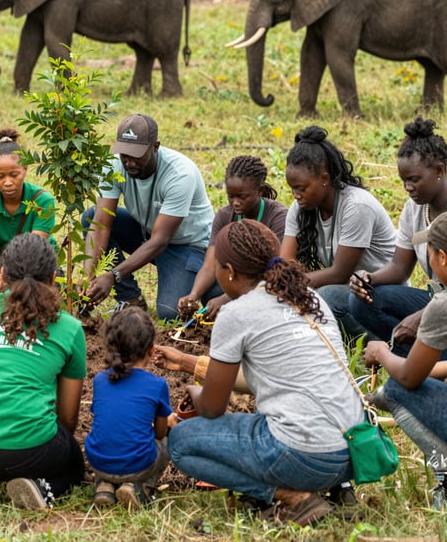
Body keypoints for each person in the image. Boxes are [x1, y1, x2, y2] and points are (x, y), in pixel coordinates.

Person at [166, 219, 362, 526]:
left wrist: (194, 392)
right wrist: (189, 362)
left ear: (229, 271)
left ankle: (292, 496)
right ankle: (335, 489)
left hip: (305, 456)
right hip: (351, 453)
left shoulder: (236, 313)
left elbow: (213, 408)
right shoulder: (310, 298)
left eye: (217, 267)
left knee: (180, 442)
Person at [0, 233, 86, 509]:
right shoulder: (69, 328)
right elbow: (68, 418)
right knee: (74, 461)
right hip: (30, 452)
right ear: (53, 278)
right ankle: (40, 488)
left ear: (2, 273)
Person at [363, 209, 447, 507]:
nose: (430, 261)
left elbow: (409, 376)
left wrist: (381, 352)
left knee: (394, 390)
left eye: (430, 253)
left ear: (443, 258)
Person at [349, 117, 447, 356]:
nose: (407, 187)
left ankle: (444, 361)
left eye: (414, 179)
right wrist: (368, 278)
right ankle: (420, 357)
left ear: (439, 171)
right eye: (403, 180)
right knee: (363, 300)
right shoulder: (414, 208)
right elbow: (399, 267)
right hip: (438, 299)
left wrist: (425, 315)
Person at [84, 114, 217, 320]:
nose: (129, 162)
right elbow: (101, 225)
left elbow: (160, 241)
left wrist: (112, 276)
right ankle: (130, 299)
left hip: (187, 245)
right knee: (91, 217)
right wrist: (87, 279)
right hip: (147, 232)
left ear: (155, 146)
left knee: (169, 313)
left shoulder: (180, 174)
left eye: (136, 155)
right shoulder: (113, 166)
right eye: (124, 155)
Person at [280, 125, 397, 341]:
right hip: (349, 293)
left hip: (381, 295)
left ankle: (388, 343)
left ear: (324, 178)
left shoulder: (356, 206)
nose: (295, 195)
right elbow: (284, 265)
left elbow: (339, 274)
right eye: (292, 189)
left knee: (326, 297)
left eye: (301, 188)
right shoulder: (301, 208)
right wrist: (279, 284)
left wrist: (288, 286)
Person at [85, 307, 175, 509]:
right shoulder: (158, 384)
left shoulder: (100, 380)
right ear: (151, 350)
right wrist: (167, 422)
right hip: (138, 466)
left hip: (97, 461)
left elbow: (105, 420)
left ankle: (104, 485)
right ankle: (141, 487)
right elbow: (160, 434)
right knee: (169, 439)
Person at [179, 155, 288, 319]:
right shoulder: (224, 216)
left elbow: (277, 271)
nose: (235, 203)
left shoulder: (277, 217)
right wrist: (193, 296)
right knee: (209, 292)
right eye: (231, 196)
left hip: (270, 285)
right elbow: (210, 266)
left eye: (242, 197)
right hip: (237, 282)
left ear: (259, 190)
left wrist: (226, 298)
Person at [0, 129, 56, 299]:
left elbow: (33, 251)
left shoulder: (43, 201)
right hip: (4, 258)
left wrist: (5, 275)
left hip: (36, 261)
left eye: (14, 175)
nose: (7, 182)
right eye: (0, 176)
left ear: (25, 169)